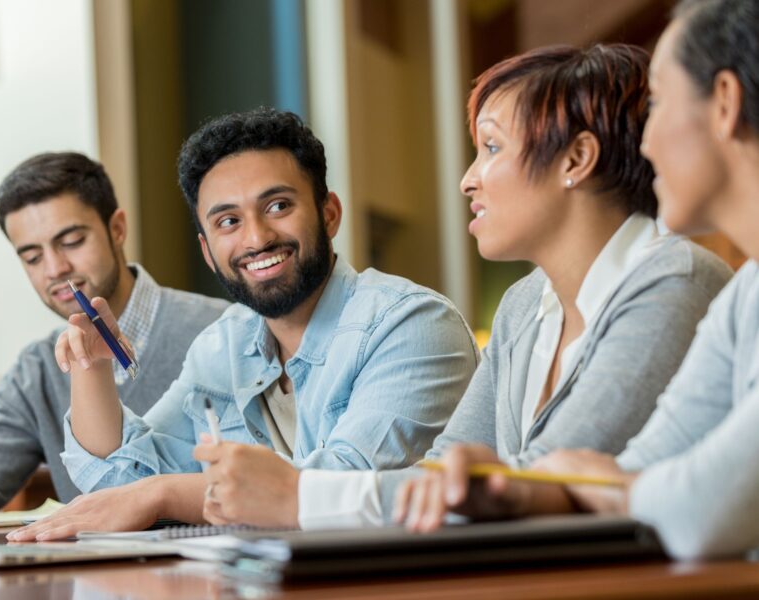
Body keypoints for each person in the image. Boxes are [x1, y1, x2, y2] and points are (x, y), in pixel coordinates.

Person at [192, 44, 732, 530]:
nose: (467, 179)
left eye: (492, 148)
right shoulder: (524, 306)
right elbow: (441, 474)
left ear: (576, 159)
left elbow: (540, 483)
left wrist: (300, 498)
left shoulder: (673, 282)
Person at [7, 108, 478, 541]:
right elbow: (121, 483)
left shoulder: (414, 325)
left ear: (329, 213)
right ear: (208, 251)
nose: (256, 237)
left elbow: (337, 490)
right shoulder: (223, 345)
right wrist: (93, 367)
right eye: (228, 221)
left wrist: (164, 494)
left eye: (277, 206)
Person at [396, 0, 759, 560]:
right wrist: (566, 484)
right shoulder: (744, 295)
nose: (643, 141)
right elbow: (635, 469)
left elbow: (699, 509)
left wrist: (593, 484)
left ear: (726, 104)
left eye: (659, 103)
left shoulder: (683, 279)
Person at [0, 152, 230, 512]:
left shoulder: (221, 332)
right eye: (33, 257)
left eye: (71, 242)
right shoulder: (37, 369)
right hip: (92, 568)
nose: (55, 268)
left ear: (116, 229)